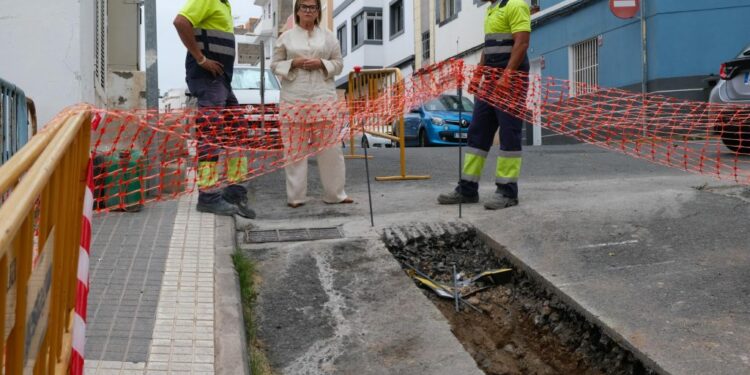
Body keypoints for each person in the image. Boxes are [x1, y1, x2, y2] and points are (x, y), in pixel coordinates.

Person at [438, 0, 531, 210]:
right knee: (477, 132)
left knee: (509, 135)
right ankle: (467, 189)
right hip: (489, 81)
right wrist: (478, 75)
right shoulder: (491, 10)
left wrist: (507, 77)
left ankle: (507, 192)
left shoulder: (516, 4)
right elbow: (488, 49)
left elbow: (522, 43)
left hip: (511, 82)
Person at [173, 0, 255, 218]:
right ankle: (208, 197)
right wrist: (201, 59)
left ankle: (235, 192)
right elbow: (181, 22)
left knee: (238, 131)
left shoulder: (223, 4)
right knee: (210, 136)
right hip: (208, 79)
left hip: (221, 81)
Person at [271, 0, 352, 208]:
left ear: (318, 12)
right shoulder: (285, 38)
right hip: (293, 99)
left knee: (331, 149)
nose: (308, 11)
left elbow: (339, 63)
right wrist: (293, 63)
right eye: (304, 7)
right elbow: (275, 65)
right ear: (297, 11)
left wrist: (322, 64)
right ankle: (296, 197)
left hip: (322, 99)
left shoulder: (328, 36)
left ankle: (335, 194)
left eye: (312, 7)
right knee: (294, 151)